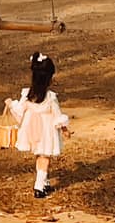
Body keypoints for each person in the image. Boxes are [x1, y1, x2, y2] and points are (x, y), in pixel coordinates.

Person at [4, 51, 70, 198]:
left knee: (39, 155)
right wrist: (64, 128)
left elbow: (19, 111)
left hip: (32, 131)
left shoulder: (28, 95)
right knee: (44, 157)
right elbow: (57, 115)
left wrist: (11, 104)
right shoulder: (51, 97)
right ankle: (39, 185)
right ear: (49, 79)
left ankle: (44, 182)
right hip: (47, 132)